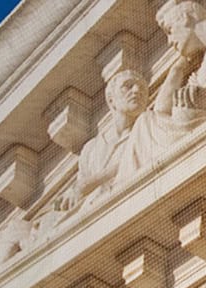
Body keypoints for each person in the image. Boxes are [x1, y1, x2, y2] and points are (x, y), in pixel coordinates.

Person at [56, 69, 152, 211]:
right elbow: (79, 194)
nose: (137, 90)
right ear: (111, 99)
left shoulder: (147, 130)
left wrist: (87, 185)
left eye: (142, 88)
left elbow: (134, 160)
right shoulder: (91, 149)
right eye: (128, 85)